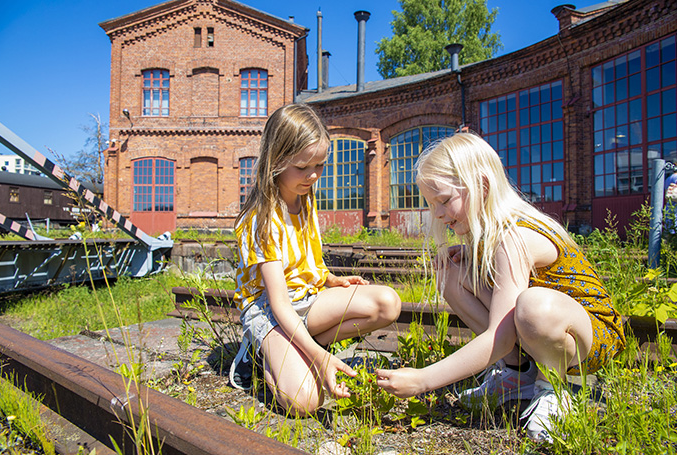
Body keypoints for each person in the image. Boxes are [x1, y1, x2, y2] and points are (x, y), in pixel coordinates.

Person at [375, 133, 625, 442]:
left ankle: (559, 386)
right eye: (431, 204)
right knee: (454, 272)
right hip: (545, 331)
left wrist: (424, 380)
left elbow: (500, 334)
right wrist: (472, 255)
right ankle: (518, 374)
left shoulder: (514, 237)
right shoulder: (492, 237)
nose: (437, 214)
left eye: (443, 200)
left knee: (534, 307)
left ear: (481, 186)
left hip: (589, 336)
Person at [231, 103, 401, 417]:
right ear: (275, 161)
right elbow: (279, 304)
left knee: (387, 303)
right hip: (269, 310)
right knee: (306, 402)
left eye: (320, 165)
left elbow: (308, 257)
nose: (312, 175)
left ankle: (297, 350)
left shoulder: (305, 196)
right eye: (302, 166)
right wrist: (322, 359)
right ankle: (260, 356)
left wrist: (331, 280)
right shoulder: (262, 219)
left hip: (305, 299)